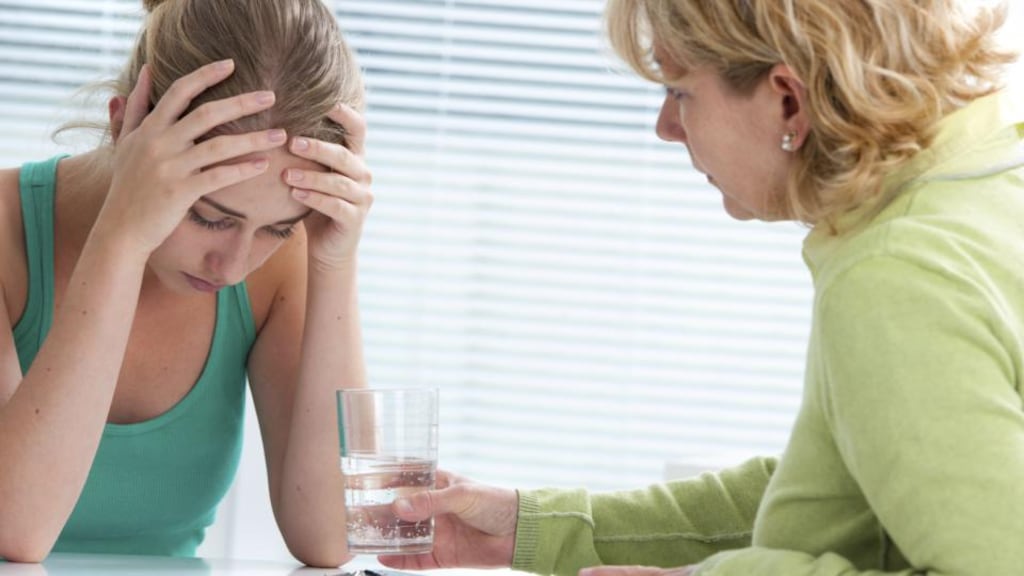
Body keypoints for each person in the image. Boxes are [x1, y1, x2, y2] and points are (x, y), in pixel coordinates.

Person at [379, 1, 1024, 575]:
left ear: (788, 101)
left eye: (680, 91)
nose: (666, 125)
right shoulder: (987, 190)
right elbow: (848, 495)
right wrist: (531, 529)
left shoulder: (894, 275)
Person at [0, 0, 370, 566]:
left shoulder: (280, 264)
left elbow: (332, 537)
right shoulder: (6, 231)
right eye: (208, 216)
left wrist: (334, 264)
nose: (232, 266)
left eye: (276, 227)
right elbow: (15, 528)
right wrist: (121, 240)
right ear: (126, 126)